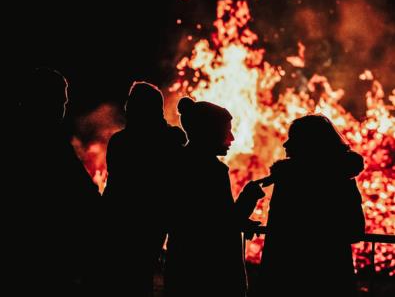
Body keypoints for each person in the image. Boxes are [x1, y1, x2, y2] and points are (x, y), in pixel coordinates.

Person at [164, 97, 265, 297]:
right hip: (212, 275)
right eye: (226, 131)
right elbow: (223, 223)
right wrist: (248, 197)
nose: (232, 138)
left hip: (182, 266)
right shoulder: (211, 171)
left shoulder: (177, 162)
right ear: (209, 132)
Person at [256, 114, 365, 296]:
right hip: (332, 276)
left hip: (286, 277)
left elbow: (279, 232)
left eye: (293, 139)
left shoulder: (289, 180)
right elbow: (355, 230)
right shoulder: (342, 179)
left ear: (308, 143)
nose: (285, 145)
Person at [15, 67, 100, 295]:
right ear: (45, 100)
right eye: (60, 102)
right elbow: (82, 191)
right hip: (44, 251)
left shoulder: (22, 130)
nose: (63, 108)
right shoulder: (48, 139)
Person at [102, 81, 186, 296]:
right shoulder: (170, 140)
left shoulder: (120, 142)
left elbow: (114, 187)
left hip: (121, 222)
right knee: (140, 279)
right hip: (152, 222)